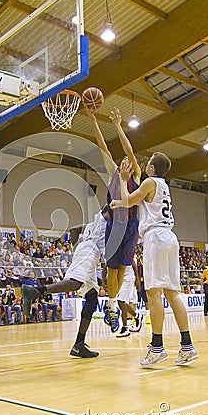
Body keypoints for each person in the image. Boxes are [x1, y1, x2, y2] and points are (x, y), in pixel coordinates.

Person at [110, 153, 198, 367]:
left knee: (154, 293)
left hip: (156, 237)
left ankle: (157, 347)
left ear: (151, 167)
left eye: (148, 161)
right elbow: (128, 201)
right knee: (172, 293)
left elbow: (130, 200)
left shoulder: (150, 182)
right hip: (170, 237)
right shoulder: (164, 186)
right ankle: (187, 346)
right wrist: (119, 201)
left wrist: (122, 179)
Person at [22, 205, 110, 358]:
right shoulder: (106, 219)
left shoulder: (93, 224)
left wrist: (78, 249)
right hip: (89, 251)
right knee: (75, 283)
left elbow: (74, 230)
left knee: (92, 298)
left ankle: (79, 344)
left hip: (87, 251)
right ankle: (36, 291)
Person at [89, 108, 141, 333]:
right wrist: (93, 120)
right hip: (114, 226)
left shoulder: (136, 175)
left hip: (131, 226)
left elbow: (129, 150)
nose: (124, 162)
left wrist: (119, 126)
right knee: (112, 269)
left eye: (127, 161)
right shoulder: (113, 172)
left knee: (122, 269)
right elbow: (103, 147)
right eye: (121, 161)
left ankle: (112, 304)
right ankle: (111, 305)